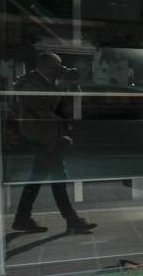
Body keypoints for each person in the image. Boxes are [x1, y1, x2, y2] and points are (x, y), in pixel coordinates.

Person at [11, 53, 97, 235]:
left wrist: (72, 85)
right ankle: (72, 220)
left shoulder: (50, 83)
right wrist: (59, 137)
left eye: (59, 66)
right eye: (54, 66)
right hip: (43, 137)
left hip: (50, 137)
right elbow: (45, 114)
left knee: (38, 179)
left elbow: (72, 105)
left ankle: (22, 219)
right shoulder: (31, 85)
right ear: (43, 66)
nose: (58, 69)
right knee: (58, 179)